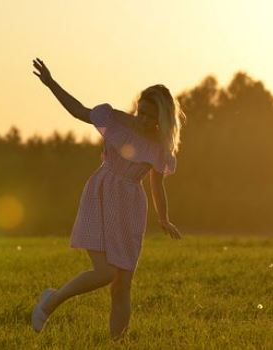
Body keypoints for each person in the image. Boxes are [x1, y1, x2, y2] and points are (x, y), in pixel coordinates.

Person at [30, 58, 184, 340]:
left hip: (131, 206)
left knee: (122, 284)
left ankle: (118, 343)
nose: (145, 119)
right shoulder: (114, 119)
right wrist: (51, 83)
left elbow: (157, 184)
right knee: (104, 273)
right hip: (102, 193)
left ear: (163, 117)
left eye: (152, 116)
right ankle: (51, 301)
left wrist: (163, 218)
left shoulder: (160, 148)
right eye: (142, 112)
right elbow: (78, 111)